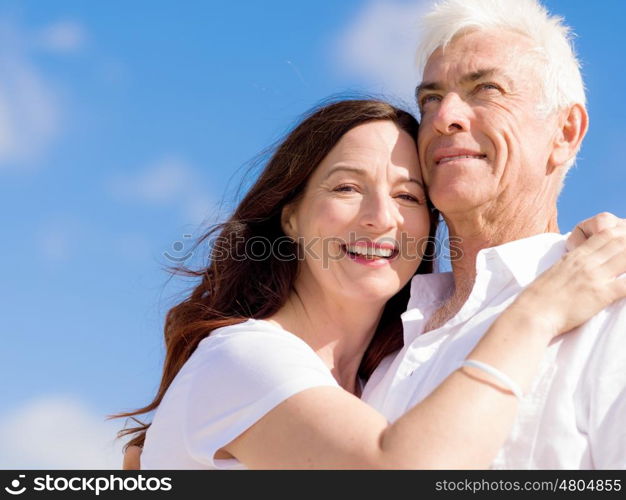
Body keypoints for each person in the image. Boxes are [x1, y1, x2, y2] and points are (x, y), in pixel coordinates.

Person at [114, 98, 626, 469]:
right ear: (290, 218)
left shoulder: (381, 383)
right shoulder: (243, 357)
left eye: (407, 197)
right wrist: (538, 312)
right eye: (347, 187)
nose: (381, 218)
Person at [361, 0, 626, 469]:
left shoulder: (613, 310)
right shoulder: (379, 355)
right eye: (430, 98)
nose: (445, 117)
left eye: (486, 88)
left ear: (565, 132)